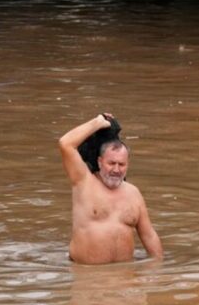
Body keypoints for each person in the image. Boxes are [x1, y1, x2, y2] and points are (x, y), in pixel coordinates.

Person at [57, 113, 163, 264]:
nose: (116, 169)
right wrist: (98, 122)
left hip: (126, 273)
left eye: (121, 164)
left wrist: (158, 267)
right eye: (111, 163)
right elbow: (65, 144)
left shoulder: (133, 193)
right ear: (100, 162)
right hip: (87, 274)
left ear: (128, 164)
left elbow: (148, 235)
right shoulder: (83, 181)